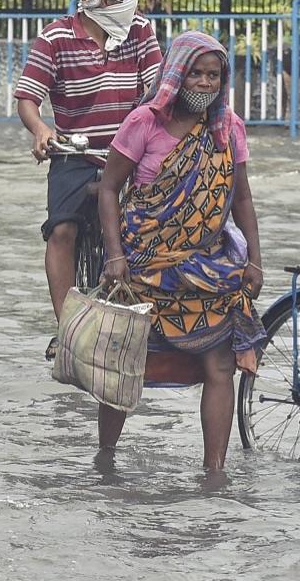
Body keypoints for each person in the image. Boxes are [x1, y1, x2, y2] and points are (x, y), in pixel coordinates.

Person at [98, 31, 267, 471]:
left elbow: (241, 197)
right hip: (144, 269)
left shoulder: (229, 129)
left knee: (220, 366)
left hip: (207, 271)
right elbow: (109, 188)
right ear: (176, 74)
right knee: (124, 364)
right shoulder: (143, 123)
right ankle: (106, 459)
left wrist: (254, 258)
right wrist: (114, 255)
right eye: (196, 73)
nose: (206, 83)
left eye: (214, 75)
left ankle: (215, 473)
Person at [14, 0, 163, 361]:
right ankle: (66, 327)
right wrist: (42, 130)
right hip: (76, 154)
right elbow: (28, 98)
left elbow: (157, 90)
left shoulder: (140, 31)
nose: (133, 0)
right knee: (61, 231)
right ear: (100, 3)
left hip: (129, 153)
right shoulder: (55, 39)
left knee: (147, 231)